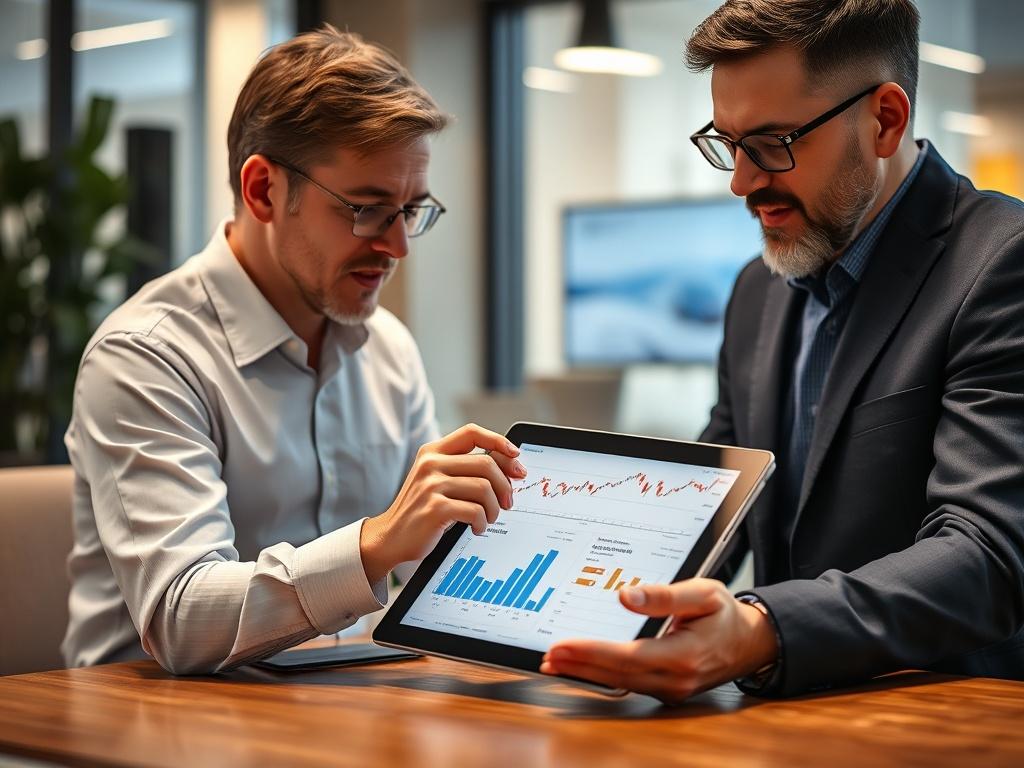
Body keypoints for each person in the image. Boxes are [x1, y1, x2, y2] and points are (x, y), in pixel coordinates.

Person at [541, 0, 1024, 702]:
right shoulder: (759, 287)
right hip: (779, 721)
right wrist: (568, 585)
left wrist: (762, 628)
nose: (741, 181)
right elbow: (721, 493)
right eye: (727, 143)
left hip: (944, 717)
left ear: (886, 119)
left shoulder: (1002, 263)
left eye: (774, 143)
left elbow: (989, 554)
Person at [62, 26, 525, 673]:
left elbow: (436, 580)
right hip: (154, 723)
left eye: (411, 210)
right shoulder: (146, 357)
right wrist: (378, 544)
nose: (397, 248)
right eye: (367, 210)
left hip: (348, 711)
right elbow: (180, 617)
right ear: (262, 191)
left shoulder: (388, 348)